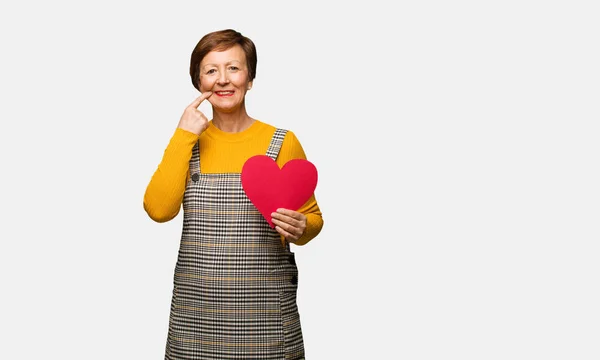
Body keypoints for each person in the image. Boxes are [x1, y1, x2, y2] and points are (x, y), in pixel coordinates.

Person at [143, 29, 324, 360]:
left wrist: (303, 228)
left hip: (266, 318)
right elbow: (158, 209)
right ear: (199, 82)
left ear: (250, 78)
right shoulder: (187, 142)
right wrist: (184, 134)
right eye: (211, 70)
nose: (223, 80)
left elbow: (312, 218)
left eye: (234, 68)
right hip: (195, 321)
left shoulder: (282, 141)